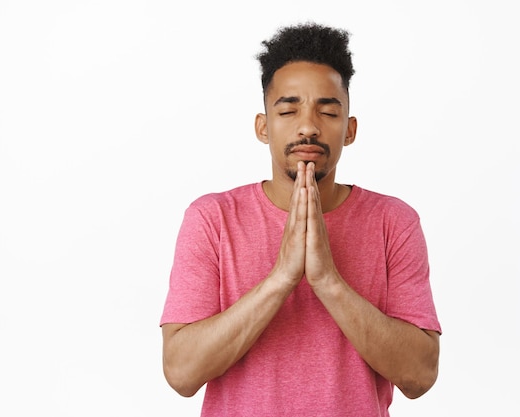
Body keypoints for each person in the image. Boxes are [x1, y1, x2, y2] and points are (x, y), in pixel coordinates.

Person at [160, 22, 441, 417]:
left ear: (350, 129)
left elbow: (420, 375)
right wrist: (281, 279)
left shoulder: (394, 222)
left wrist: (328, 280)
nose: (308, 126)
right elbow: (181, 372)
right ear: (263, 127)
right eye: (289, 110)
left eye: (327, 111)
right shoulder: (212, 219)